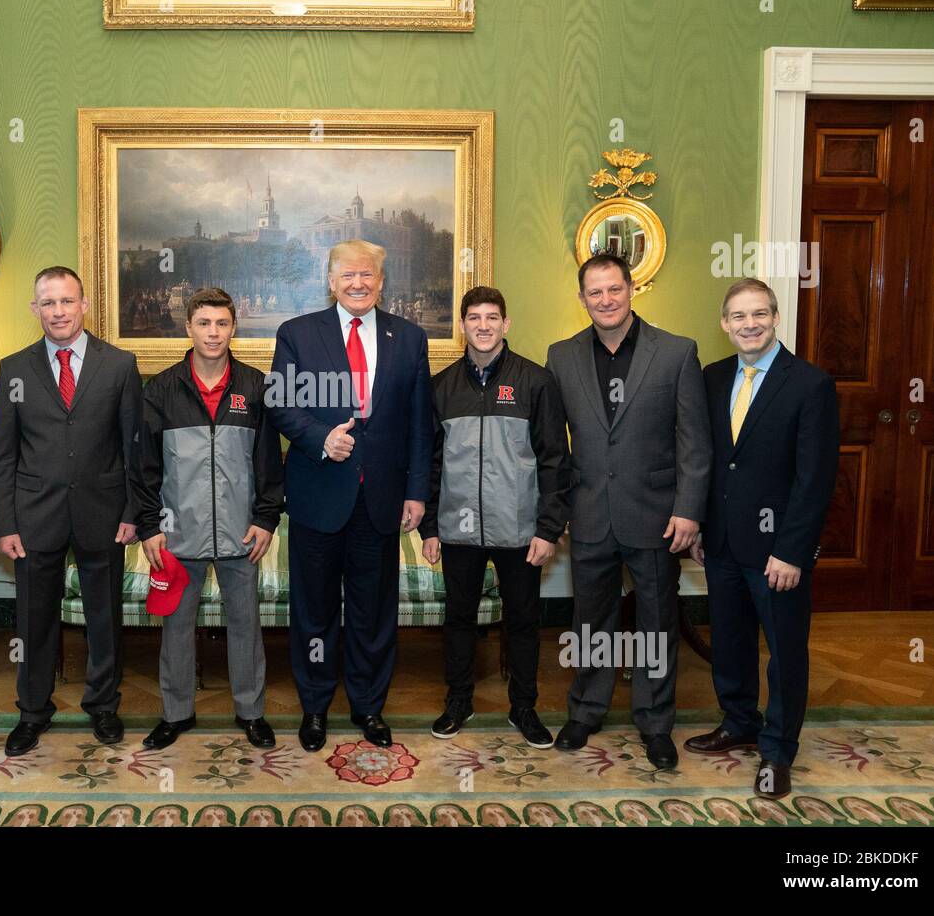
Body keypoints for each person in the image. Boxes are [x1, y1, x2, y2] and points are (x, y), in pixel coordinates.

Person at [546, 253, 711, 770]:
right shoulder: (561, 356)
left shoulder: (677, 353)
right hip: (590, 511)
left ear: (632, 289)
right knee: (590, 620)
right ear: (582, 299)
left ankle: (655, 722)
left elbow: (694, 442)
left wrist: (689, 510)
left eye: (614, 289)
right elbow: (554, 445)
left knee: (657, 623)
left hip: (658, 514)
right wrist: (560, 510)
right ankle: (586, 710)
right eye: (594, 293)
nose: (606, 300)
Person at [268, 239, 433, 751]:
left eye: (368, 275)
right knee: (314, 611)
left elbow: (420, 423)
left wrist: (417, 493)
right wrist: (321, 439)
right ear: (331, 279)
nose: (358, 283)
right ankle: (314, 707)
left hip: (381, 500)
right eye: (348, 275)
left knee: (373, 611)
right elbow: (279, 402)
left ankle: (368, 707)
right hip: (318, 496)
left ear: (381, 282)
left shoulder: (408, 337)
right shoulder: (297, 334)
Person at [685, 279, 839, 800]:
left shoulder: (810, 384)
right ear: (724, 324)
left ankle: (776, 750)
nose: (749, 324)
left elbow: (814, 480)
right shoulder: (712, 377)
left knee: (785, 652)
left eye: (759, 314)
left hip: (779, 552)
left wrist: (792, 551)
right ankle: (739, 723)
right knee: (729, 642)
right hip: (724, 543)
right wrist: (704, 527)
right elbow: (710, 462)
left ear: (775, 318)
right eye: (738, 316)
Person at [0, 265, 142, 755]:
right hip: (35, 517)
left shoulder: (119, 365)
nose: (58, 311)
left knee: (104, 618)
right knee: (33, 621)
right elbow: (3, 454)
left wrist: (132, 511)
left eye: (66, 301)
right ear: (36, 309)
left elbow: (133, 447)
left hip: (104, 512)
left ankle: (103, 706)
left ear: (84, 305)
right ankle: (33, 712)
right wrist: (6, 523)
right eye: (47, 303)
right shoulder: (14, 369)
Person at [131, 287, 284, 750]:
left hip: (243, 532)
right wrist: (149, 526)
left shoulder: (256, 387)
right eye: (204, 324)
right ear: (188, 327)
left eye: (221, 324)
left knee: (245, 623)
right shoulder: (160, 389)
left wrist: (266, 518)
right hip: (178, 533)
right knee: (176, 626)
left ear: (233, 327)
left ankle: (251, 713)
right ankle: (176, 713)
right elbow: (143, 466)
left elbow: (270, 464)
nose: (213, 333)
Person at [420, 286, 571, 744]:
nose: (483, 326)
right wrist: (429, 527)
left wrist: (548, 528)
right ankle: (458, 702)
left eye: (492, 317)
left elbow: (555, 460)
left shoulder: (535, 382)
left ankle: (523, 708)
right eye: (474, 318)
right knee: (459, 619)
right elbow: (429, 463)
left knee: (523, 622)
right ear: (462, 326)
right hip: (458, 531)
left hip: (521, 531)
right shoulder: (440, 387)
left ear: (506, 324)